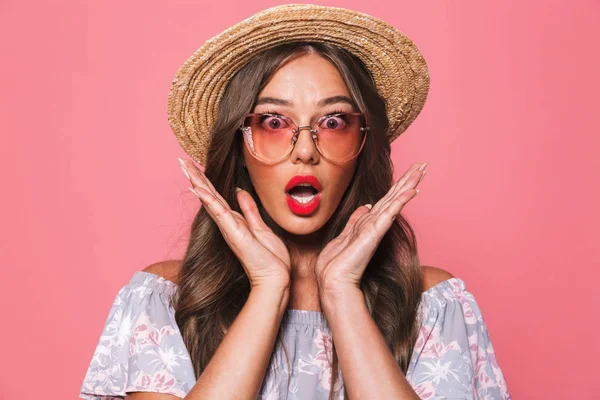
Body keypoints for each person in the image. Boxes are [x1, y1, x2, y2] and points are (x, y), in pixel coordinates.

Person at [80, 4, 511, 400]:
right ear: (240, 149)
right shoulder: (167, 301)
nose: (306, 150)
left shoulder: (434, 306)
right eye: (273, 122)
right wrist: (269, 287)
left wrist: (342, 293)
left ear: (362, 147)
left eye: (333, 121)